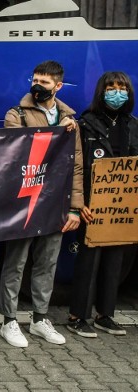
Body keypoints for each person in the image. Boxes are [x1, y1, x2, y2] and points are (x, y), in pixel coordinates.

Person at [0, 60, 84, 348]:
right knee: (16, 262)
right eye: (35, 79)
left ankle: (39, 319)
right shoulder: (17, 114)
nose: (38, 86)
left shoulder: (70, 119)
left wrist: (75, 207)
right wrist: (57, 132)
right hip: (24, 203)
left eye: (45, 82)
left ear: (58, 86)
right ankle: (9, 321)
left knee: (47, 263)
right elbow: (16, 153)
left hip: (55, 203)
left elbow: (77, 168)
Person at [67, 71, 138, 338]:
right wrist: (79, 202)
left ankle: (105, 315)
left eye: (122, 87)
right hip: (91, 207)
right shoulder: (86, 124)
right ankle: (78, 316)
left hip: (120, 211)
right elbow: (76, 167)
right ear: (101, 91)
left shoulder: (134, 125)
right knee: (88, 262)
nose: (116, 92)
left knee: (115, 262)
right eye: (111, 87)